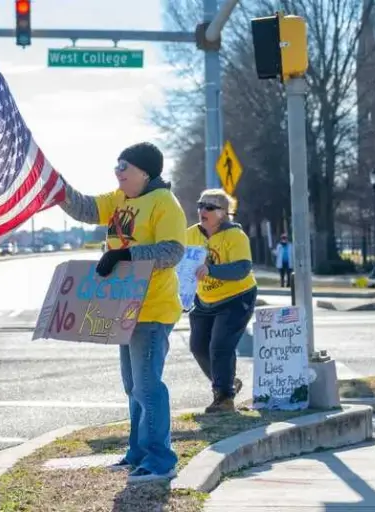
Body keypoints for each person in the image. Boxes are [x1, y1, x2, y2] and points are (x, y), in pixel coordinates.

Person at [58, 141, 187, 484]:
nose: (117, 173)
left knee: (147, 387)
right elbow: (85, 208)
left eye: (123, 167)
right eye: (116, 166)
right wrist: (57, 188)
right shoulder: (119, 200)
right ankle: (138, 454)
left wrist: (124, 256)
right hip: (124, 306)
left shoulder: (164, 203)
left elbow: (172, 251)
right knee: (133, 386)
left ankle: (161, 460)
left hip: (153, 308)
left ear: (144, 172)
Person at [186, 189, 257, 413]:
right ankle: (227, 382)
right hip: (205, 300)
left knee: (220, 346)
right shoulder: (190, 235)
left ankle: (224, 398)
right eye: (200, 205)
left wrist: (211, 270)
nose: (202, 210)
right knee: (198, 346)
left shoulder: (235, 236)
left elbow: (242, 269)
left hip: (237, 297)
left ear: (224, 213)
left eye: (210, 207)